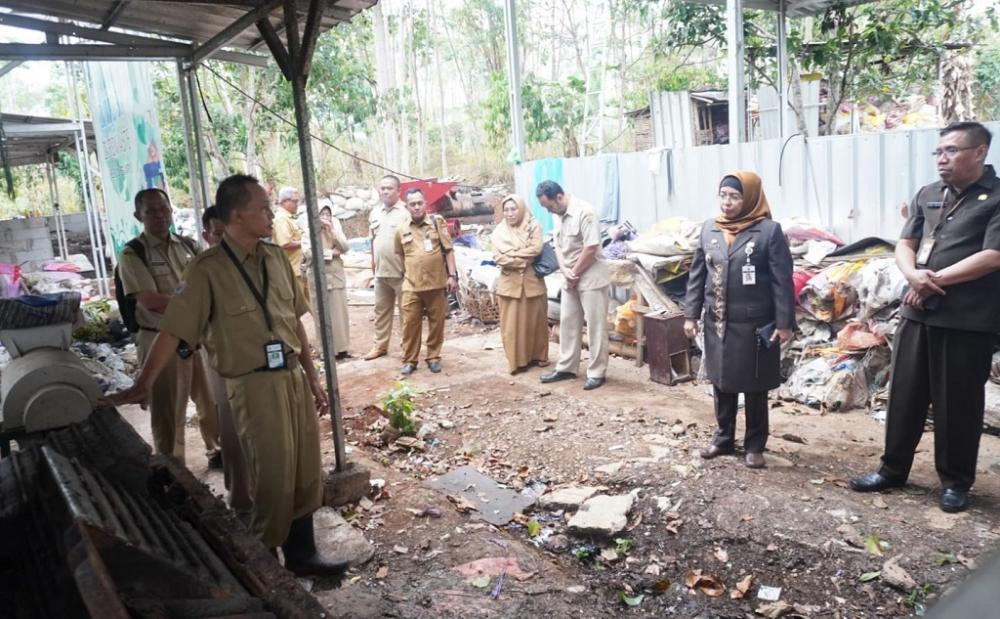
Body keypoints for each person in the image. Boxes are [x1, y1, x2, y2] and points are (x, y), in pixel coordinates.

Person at [105, 175, 347, 577]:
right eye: (263, 208)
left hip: (290, 379)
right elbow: (174, 328)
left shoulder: (274, 258)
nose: (271, 215)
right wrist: (143, 384)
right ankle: (264, 568)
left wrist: (313, 378)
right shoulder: (206, 269)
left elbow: (295, 324)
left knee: (306, 470)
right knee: (272, 475)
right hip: (253, 385)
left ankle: (303, 555)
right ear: (236, 214)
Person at [850, 122, 1000, 513]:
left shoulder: (997, 197)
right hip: (918, 313)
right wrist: (912, 274)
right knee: (905, 395)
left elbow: (993, 256)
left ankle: (955, 482)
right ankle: (892, 470)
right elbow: (906, 243)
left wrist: (932, 280)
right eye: (938, 152)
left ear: (980, 152)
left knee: (958, 403)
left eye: (951, 151)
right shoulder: (928, 194)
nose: (942, 159)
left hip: (965, 320)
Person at [683, 172, 795, 469]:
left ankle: (755, 444)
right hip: (717, 322)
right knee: (722, 381)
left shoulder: (769, 232)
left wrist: (784, 323)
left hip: (755, 325)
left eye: (734, 196)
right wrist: (691, 315)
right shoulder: (709, 230)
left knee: (755, 386)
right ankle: (723, 438)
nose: (727, 202)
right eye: (723, 195)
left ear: (749, 198)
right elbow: (697, 276)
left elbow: (782, 281)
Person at [117, 188, 221, 467]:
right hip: (159, 341)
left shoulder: (188, 246)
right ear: (139, 215)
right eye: (151, 210)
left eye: (164, 208)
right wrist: (193, 301)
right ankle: (173, 469)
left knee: (210, 402)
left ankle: (217, 451)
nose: (160, 215)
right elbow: (149, 301)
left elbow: (211, 285)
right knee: (168, 412)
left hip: (197, 338)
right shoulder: (133, 254)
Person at [199, 206, 252, 516]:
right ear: (207, 236)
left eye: (229, 233)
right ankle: (241, 499)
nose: (226, 240)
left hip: (255, 365)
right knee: (232, 427)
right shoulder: (202, 270)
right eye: (219, 235)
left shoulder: (252, 263)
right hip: (223, 362)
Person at [535, 181, 609, 390]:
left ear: (559, 197)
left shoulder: (585, 213)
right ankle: (566, 367)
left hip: (591, 276)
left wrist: (574, 272)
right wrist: (565, 270)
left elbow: (591, 247)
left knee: (595, 326)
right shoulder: (557, 215)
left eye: (549, 206)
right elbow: (556, 244)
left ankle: (597, 372)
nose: (548, 210)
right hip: (569, 276)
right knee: (568, 322)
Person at [394, 188, 457, 375]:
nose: (416, 207)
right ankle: (410, 360)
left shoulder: (437, 223)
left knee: (437, 322)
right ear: (407, 206)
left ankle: (433, 357)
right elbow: (399, 255)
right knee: (410, 324)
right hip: (411, 285)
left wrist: (452, 276)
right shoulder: (401, 229)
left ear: (425, 203)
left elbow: (449, 250)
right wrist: (408, 272)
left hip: (437, 283)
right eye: (412, 204)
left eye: (419, 203)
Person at [491, 194, 549, 374]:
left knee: (536, 324)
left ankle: (538, 357)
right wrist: (523, 261)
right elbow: (498, 257)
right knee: (511, 327)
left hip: (533, 283)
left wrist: (512, 255)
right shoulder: (498, 232)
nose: (509, 213)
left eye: (513, 209)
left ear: (521, 209)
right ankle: (517, 362)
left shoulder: (533, 225)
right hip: (509, 285)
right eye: (506, 210)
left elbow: (536, 248)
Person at [365, 175, 410, 360]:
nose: (385, 191)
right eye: (382, 188)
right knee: (381, 310)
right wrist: (372, 265)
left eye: (389, 188)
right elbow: (372, 242)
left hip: (401, 272)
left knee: (406, 312)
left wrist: (410, 271)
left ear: (398, 191)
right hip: (381, 272)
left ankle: (408, 347)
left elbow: (411, 245)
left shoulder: (406, 213)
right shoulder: (375, 213)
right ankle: (380, 346)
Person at [319, 204, 351, 359]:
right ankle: (326, 351)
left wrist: (332, 231)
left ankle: (342, 348)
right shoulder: (310, 229)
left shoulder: (334, 227)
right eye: (322, 214)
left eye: (327, 214)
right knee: (322, 315)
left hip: (336, 275)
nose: (325, 217)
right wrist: (331, 253)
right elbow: (308, 251)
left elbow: (345, 246)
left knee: (339, 313)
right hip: (318, 278)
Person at [272, 186, 310, 304]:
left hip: (300, 268)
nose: (297, 204)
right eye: (294, 201)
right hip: (293, 271)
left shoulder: (288, 218)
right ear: (285, 201)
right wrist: (305, 241)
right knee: (295, 306)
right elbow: (285, 243)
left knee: (311, 302)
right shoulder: (281, 219)